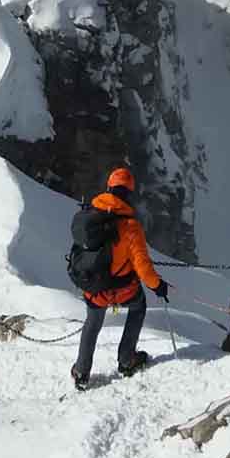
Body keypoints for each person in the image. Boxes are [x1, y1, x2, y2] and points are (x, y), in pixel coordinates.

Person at [70, 167, 170, 390]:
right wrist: (158, 286)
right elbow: (143, 268)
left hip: (94, 287)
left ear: (109, 188)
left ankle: (81, 372)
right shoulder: (131, 227)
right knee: (138, 307)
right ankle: (127, 360)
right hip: (122, 288)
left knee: (92, 323)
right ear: (129, 193)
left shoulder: (90, 215)